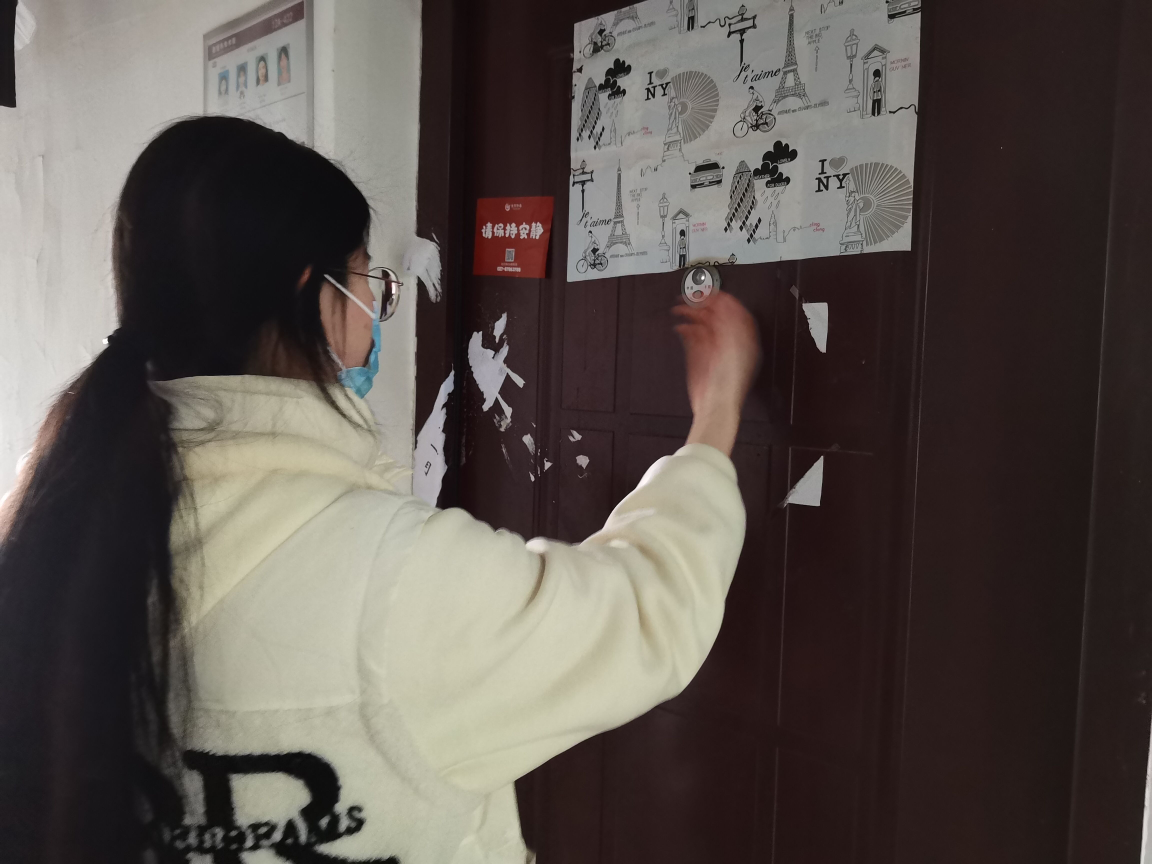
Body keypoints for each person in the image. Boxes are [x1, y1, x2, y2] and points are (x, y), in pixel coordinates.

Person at [0, 115, 759, 863]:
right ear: (314, 294)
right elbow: (646, 613)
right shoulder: (392, 578)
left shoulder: (51, 521)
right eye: (369, 278)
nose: (375, 309)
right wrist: (716, 415)